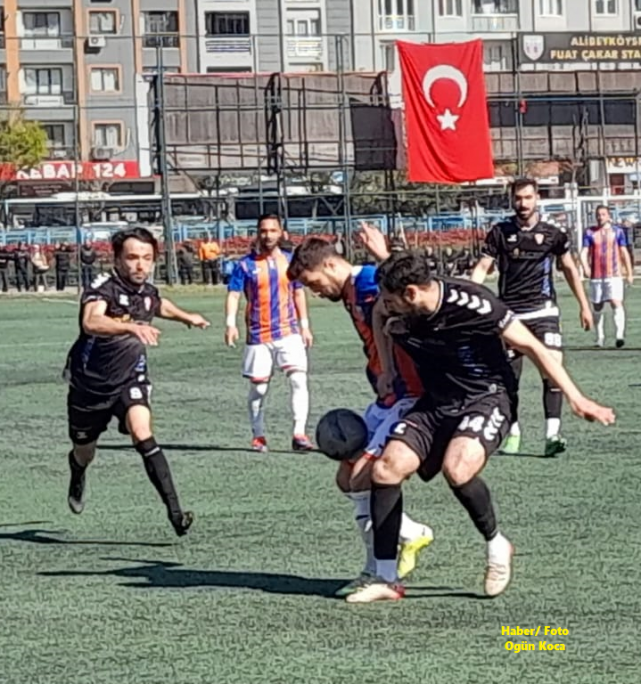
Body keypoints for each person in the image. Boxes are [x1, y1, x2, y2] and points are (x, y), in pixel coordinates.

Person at [346, 250, 615, 604]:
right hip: (437, 400)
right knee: (385, 469)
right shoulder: (397, 307)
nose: (385, 305)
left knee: (457, 468)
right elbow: (380, 315)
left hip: (487, 397)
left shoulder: (474, 304)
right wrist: (388, 369)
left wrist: (577, 398)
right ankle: (386, 578)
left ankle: (497, 544)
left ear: (411, 293)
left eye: (391, 299)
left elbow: (532, 346)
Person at [287, 237, 434, 595]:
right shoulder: (353, 290)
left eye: (313, 282)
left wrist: (385, 255)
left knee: (361, 478)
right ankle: (409, 533)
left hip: (409, 395)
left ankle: (377, 570)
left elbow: (409, 305)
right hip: (387, 397)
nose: (315, 292)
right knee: (346, 478)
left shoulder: (368, 282)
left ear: (329, 265)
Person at [63, 227, 210, 536]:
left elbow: (158, 304)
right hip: (90, 385)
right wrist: (131, 328)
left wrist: (187, 316)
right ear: (117, 259)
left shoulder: (146, 291)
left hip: (131, 378)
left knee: (143, 433)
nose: (140, 265)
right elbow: (91, 321)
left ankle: (176, 514)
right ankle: (78, 470)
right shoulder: (103, 287)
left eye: (147, 258)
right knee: (84, 451)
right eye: (132, 257)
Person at [471, 179, 593, 457]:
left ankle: (552, 435)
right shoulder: (500, 232)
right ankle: (513, 433)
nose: (523, 204)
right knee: (509, 378)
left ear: (537, 197)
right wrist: (470, 298)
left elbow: (569, 269)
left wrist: (583, 305)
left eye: (528, 198)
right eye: (518, 198)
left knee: (552, 368)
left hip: (544, 311)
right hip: (509, 316)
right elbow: (482, 267)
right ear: (511, 200)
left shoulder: (553, 233)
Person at [224, 214, 314, 452]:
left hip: (288, 331)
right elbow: (234, 294)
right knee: (259, 388)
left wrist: (305, 326)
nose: (268, 235)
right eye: (263, 231)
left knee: (298, 379)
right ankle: (258, 435)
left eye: (273, 230)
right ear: (258, 233)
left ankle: (299, 434)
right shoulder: (245, 265)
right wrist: (230, 323)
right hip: (258, 334)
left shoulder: (291, 262)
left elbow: (298, 293)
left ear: (281, 233)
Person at [580, 205, 633, 348]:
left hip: (614, 274)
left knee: (616, 302)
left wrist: (629, 272)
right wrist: (585, 267)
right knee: (597, 306)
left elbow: (624, 252)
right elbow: (584, 252)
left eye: (603, 214)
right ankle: (600, 337)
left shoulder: (617, 231)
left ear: (609, 216)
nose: (600, 217)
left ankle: (619, 335)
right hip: (596, 276)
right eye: (598, 214)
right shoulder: (590, 232)